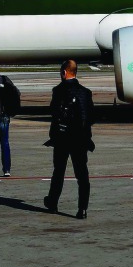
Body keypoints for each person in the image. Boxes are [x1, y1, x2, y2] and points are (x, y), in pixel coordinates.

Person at [44, 59, 93, 219]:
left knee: (58, 172)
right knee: (82, 175)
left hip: (62, 139)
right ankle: (82, 209)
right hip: (80, 138)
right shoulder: (85, 92)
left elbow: (54, 113)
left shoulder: (58, 91)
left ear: (64, 72)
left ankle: (53, 203)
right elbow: (90, 117)